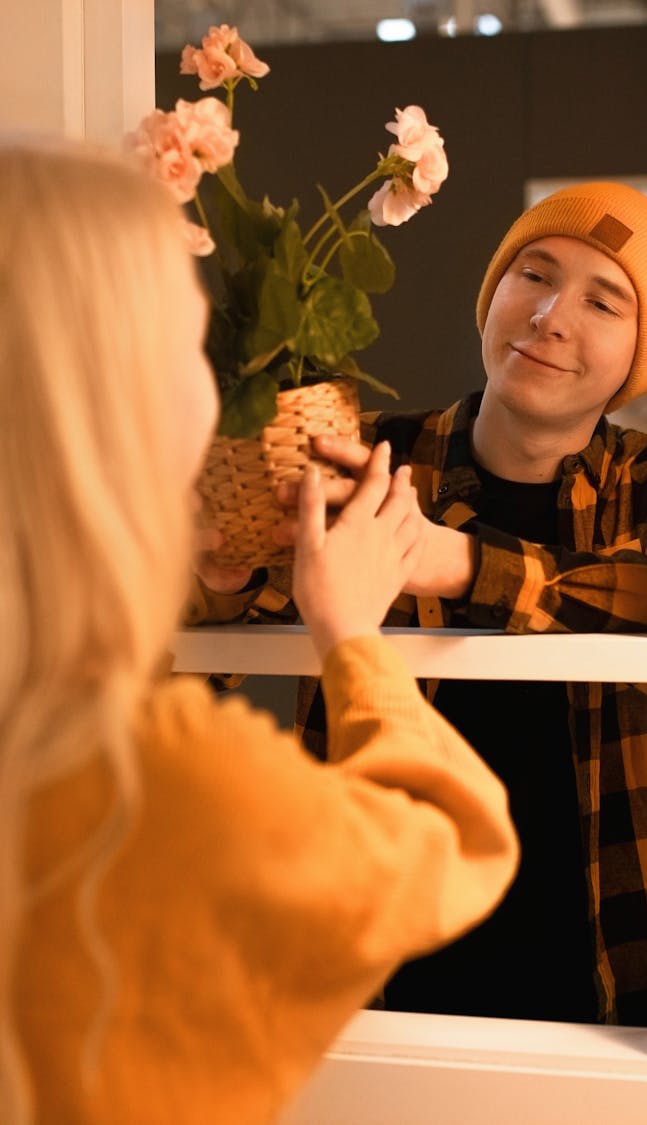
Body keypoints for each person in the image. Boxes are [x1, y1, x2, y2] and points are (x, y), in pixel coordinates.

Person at [0, 139, 521, 1125]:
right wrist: (355, 641)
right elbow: (452, 843)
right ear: (108, 401)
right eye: (190, 342)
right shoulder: (157, 777)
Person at [192, 180, 647, 1029]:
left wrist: (461, 563)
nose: (553, 315)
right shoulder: (374, 453)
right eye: (534, 274)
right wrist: (221, 581)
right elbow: (225, 626)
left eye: (605, 301)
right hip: (376, 953)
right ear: (493, 295)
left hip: (603, 951)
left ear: (644, 351)